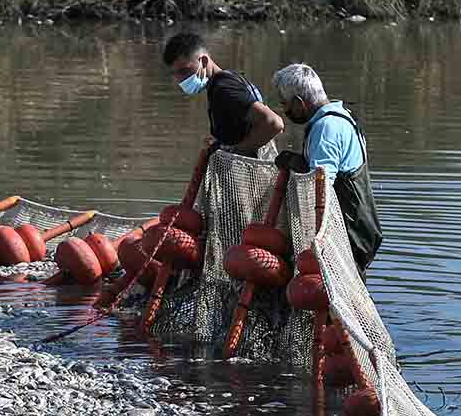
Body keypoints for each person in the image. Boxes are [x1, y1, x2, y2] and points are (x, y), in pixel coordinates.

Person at [270, 62, 383, 275]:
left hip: (348, 234)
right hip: (358, 229)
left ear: (299, 102)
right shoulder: (341, 115)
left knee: (333, 300)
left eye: (285, 104)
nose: (284, 111)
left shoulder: (326, 128)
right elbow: (326, 172)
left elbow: (321, 188)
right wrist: (298, 162)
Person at [162, 31, 284, 159]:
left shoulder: (224, 89)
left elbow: (274, 123)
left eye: (184, 71)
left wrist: (235, 153)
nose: (180, 79)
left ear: (203, 61)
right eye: (175, 73)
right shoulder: (227, 80)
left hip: (246, 174)